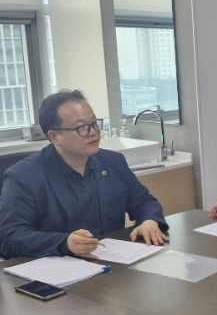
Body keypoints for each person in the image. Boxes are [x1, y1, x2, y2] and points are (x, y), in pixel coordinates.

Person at [0, 89, 169, 259]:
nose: (94, 132)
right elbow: (9, 237)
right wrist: (64, 243)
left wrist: (149, 221)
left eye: (94, 123)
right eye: (82, 127)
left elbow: (144, 202)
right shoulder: (23, 177)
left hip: (113, 262)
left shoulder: (113, 162)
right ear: (54, 136)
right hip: (55, 268)